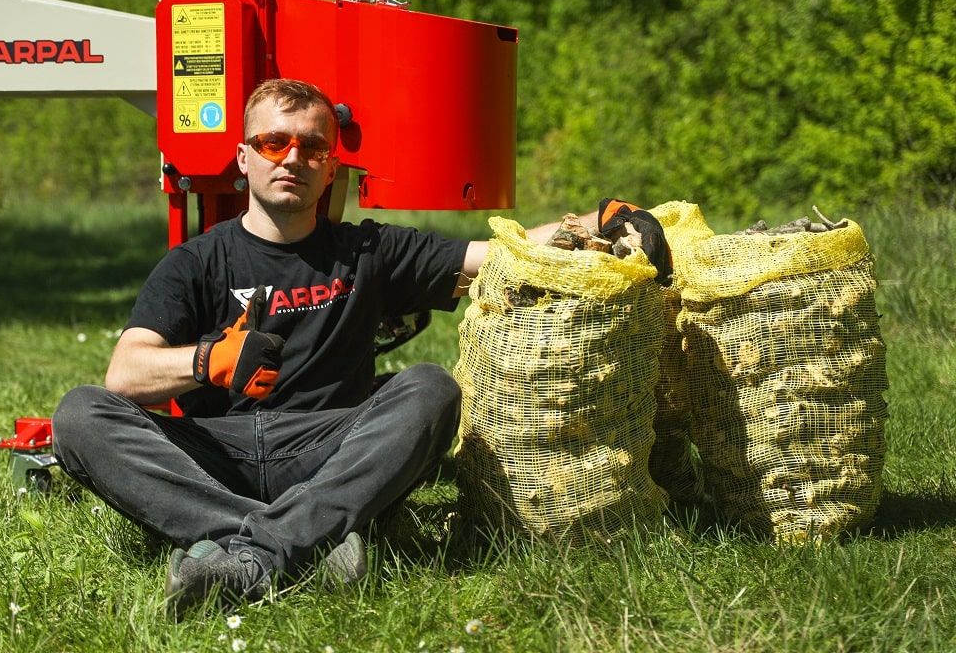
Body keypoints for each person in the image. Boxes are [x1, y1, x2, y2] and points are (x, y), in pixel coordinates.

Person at [51, 78, 669, 616]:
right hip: (218, 452)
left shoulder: (367, 250)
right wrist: (206, 359)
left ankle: (244, 554)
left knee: (430, 388)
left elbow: (498, 254)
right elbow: (124, 374)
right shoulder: (195, 261)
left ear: (330, 165)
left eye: (311, 147)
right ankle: (301, 543)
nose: (291, 158)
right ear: (243, 159)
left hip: (329, 445)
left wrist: (596, 220)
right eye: (272, 143)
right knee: (79, 415)